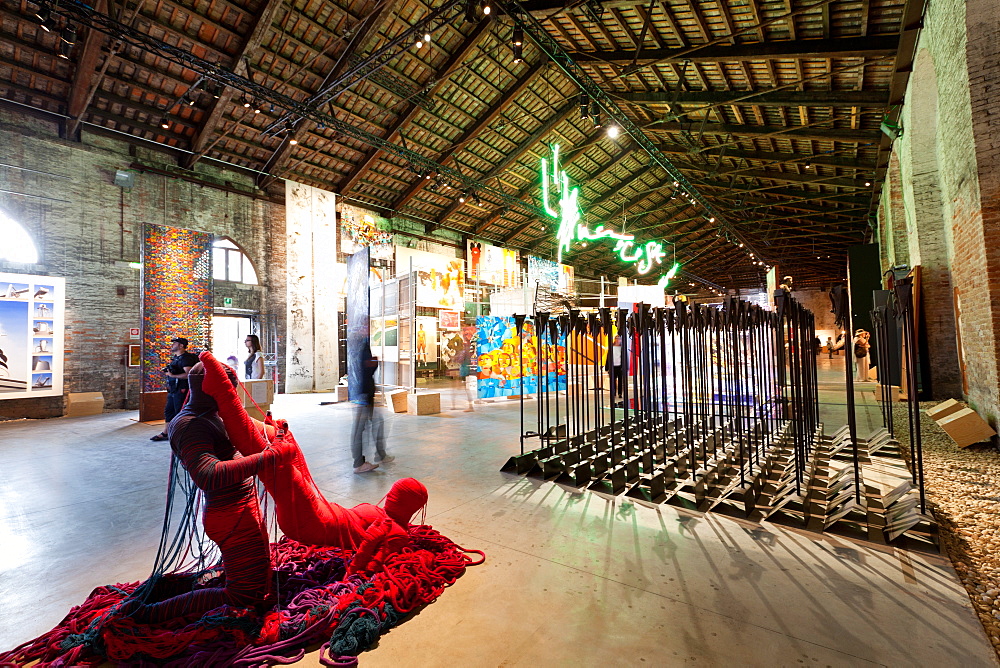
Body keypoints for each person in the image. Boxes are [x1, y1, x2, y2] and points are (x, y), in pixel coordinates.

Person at [351, 346, 392, 473]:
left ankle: (381, 454)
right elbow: (365, 367)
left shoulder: (360, 342)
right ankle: (358, 463)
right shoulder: (360, 343)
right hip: (362, 394)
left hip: (365, 393)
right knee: (359, 428)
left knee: (378, 422)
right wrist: (375, 362)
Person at [150, 337, 199, 441]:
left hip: (182, 390)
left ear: (181, 345)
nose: (172, 345)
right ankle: (166, 433)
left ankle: (181, 434)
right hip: (174, 390)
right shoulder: (177, 358)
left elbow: (188, 374)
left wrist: (173, 375)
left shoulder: (186, 358)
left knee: (179, 412)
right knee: (169, 411)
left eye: (175, 343)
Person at [607, 334, 624, 404]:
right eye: (616, 338)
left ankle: (620, 393)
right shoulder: (611, 347)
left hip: (620, 366)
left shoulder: (622, 348)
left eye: (619, 338)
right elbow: (608, 358)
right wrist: (607, 367)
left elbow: (624, 358)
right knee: (613, 380)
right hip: (612, 366)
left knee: (620, 380)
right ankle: (613, 392)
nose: (617, 340)